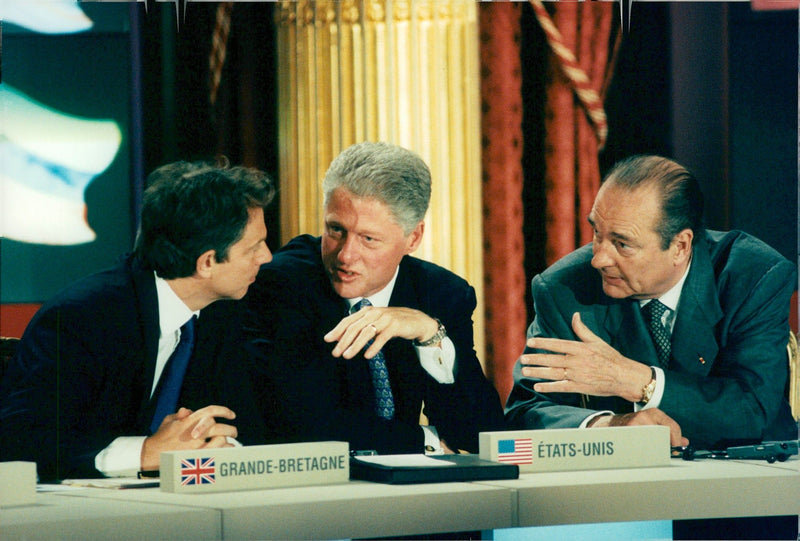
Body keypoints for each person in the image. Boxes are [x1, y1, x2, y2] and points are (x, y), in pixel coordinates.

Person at [0, 159, 276, 481]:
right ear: (207, 262)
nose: (267, 257)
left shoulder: (222, 311)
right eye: (254, 247)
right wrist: (146, 452)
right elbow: (22, 445)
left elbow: (241, 424)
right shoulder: (83, 319)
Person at [505, 154, 797, 451]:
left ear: (680, 246)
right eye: (597, 233)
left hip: (750, 471)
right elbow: (524, 411)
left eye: (622, 244)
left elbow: (752, 410)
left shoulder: (753, 277)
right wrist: (608, 425)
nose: (599, 259)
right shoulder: (564, 289)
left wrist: (638, 382)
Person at [244, 141, 505, 454]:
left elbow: (483, 433)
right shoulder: (283, 282)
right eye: (335, 230)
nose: (345, 255)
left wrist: (429, 335)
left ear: (413, 238)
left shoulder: (442, 294)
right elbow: (303, 425)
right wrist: (427, 442)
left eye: (369, 239)